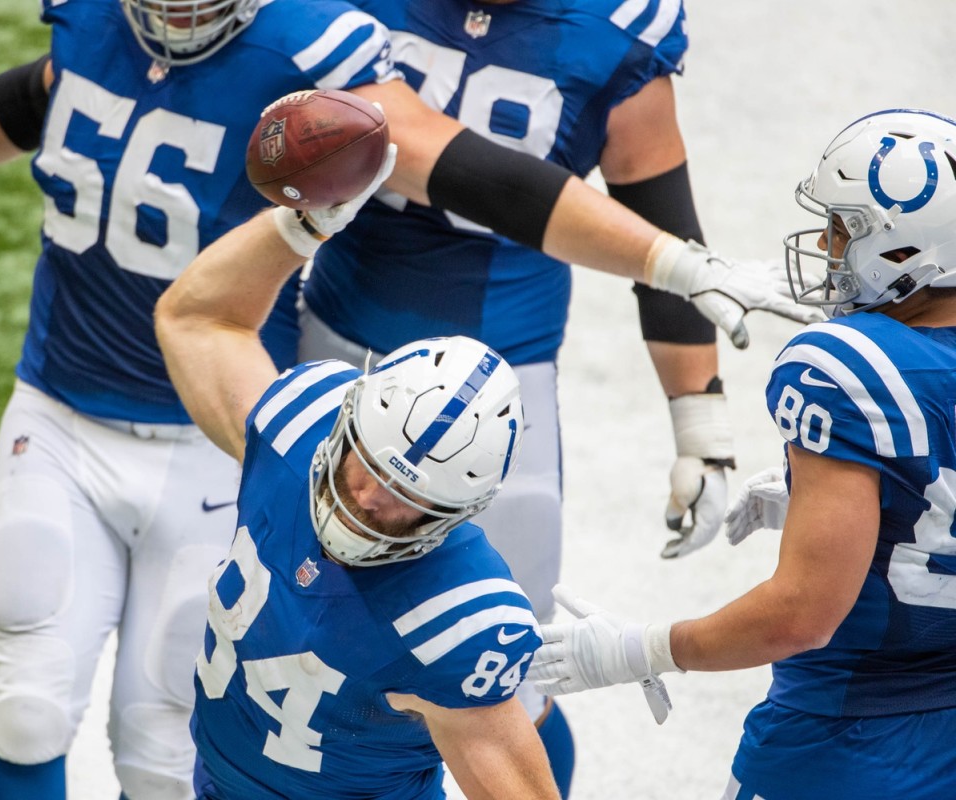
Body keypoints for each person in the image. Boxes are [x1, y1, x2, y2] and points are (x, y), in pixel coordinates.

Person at [0, 0, 812, 795]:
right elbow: (54, 95)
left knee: (462, 685)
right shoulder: (296, 418)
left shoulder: (336, 45)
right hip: (227, 372)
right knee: (142, 686)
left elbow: (483, 172)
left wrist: (678, 301)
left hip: (379, 401)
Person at [295, 1, 761, 789]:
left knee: (510, 677)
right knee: (307, 643)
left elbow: (664, 226)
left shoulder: (615, 31)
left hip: (498, 395)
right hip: (339, 346)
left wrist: (701, 424)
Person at [527, 108, 956, 800]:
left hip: (848, 744)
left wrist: (644, 647)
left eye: (845, 227)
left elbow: (801, 616)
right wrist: (874, 505)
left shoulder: (849, 367)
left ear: (908, 253)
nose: (825, 240)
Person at [155, 146, 560, 800]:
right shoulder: (296, 424)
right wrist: (297, 227)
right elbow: (197, 319)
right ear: (343, 424)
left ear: (455, 515)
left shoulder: (453, 617)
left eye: (407, 499)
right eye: (365, 463)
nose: (367, 498)